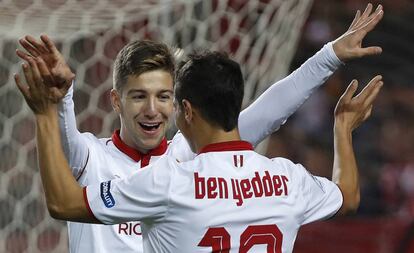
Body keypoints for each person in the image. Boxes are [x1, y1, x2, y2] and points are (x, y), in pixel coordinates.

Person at [15, 4, 383, 253]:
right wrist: (61, 100)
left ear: (182, 109)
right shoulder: (92, 155)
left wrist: (327, 57)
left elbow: (269, 112)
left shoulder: (180, 166)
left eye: (164, 97)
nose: (153, 108)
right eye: (139, 96)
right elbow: (64, 147)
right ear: (115, 101)